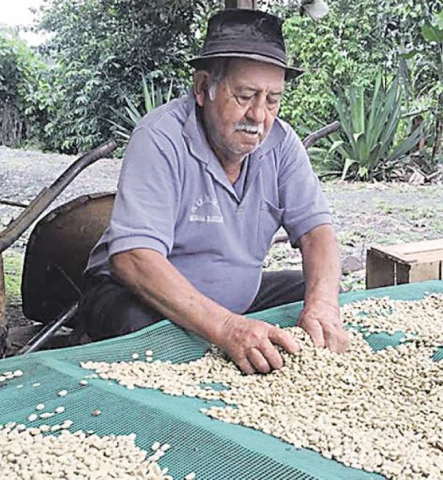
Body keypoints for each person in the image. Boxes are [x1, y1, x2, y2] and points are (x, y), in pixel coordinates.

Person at [78, 9, 349, 375]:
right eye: (245, 95)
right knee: (145, 333)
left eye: (272, 100)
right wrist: (225, 327)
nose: (258, 115)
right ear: (204, 87)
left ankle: (238, 341)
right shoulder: (160, 138)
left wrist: (322, 305)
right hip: (134, 296)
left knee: (319, 291)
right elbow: (133, 259)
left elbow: (318, 234)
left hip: (233, 301)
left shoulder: (283, 145)